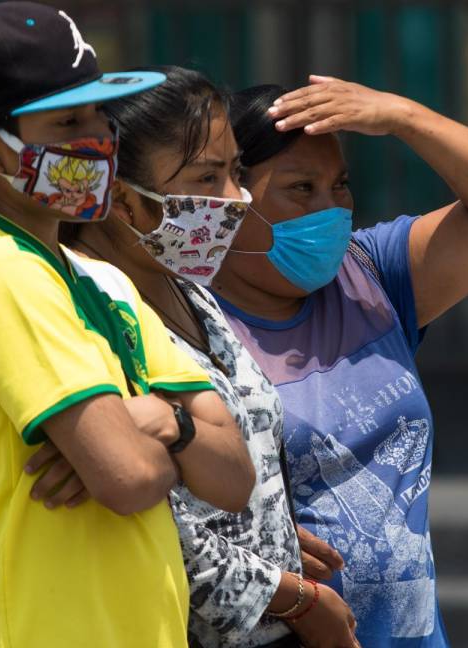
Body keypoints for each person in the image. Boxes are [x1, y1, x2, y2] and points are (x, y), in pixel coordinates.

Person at [0, 5, 254, 646]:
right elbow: (129, 478)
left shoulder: (101, 278)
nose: (99, 139)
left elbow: (234, 474)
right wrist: (171, 435)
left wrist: (157, 422)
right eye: (69, 121)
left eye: (100, 114)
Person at [32, 65, 359, 648]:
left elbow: (238, 453)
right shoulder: (86, 315)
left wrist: (274, 533)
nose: (237, 199)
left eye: (235, 172)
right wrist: (300, 600)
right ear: (123, 200)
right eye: (208, 178)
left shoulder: (191, 291)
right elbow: (160, 526)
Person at [219, 76, 468, 647]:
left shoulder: (370, 275)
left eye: (340, 185)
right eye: (301, 188)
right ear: (229, 196)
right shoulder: (181, 318)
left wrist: (404, 117)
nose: (329, 209)